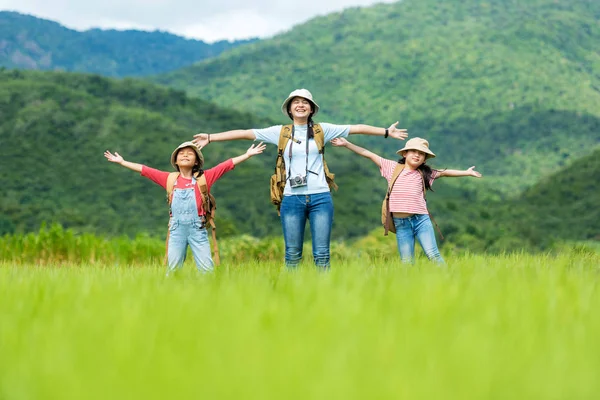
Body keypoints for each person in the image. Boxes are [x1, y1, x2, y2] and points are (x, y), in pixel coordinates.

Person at [191, 88, 408, 268]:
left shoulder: (324, 130)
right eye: (296, 102)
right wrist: (211, 138)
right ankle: (292, 296)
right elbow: (245, 133)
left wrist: (386, 132)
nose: (301, 105)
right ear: (289, 109)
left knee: (322, 253)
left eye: (305, 102)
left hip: (320, 197)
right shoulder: (281, 132)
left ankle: (323, 295)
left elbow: (357, 128)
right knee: (292, 253)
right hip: (291, 198)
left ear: (312, 108)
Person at [104, 141, 266, 273]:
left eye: (190, 153)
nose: (185, 155)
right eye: (181, 153)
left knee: (207, 270)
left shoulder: (205, 178)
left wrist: (247, 155)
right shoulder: (169, 179)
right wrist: (122, 162)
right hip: (176, 229)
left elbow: (225, 165)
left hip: (198, 228)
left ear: (196, 161)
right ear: (175, 161)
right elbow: (146, 170)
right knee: (173, 269)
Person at [331, 137, 482, 264]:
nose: (417, 155)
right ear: (405, 153)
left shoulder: (426, 173)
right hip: (401, 223)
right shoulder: (392, 167)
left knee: (433, 254)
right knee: (407, 261)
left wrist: (467, 173)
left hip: (421, 220)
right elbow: (369, 154)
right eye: (414, 152)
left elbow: (445, 172)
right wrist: (347, 144)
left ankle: (452, 281)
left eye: (421, 154)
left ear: (424, 159)